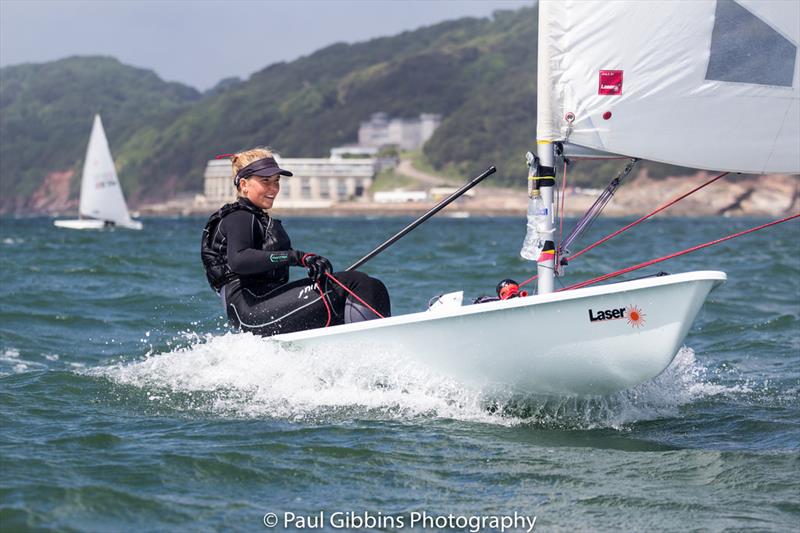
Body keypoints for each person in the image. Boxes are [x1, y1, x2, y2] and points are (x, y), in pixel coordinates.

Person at [201, 147, 391, 336]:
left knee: (370, 286)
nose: (273, 188)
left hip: (267, 307)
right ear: (244, 184)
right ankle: (373, 349)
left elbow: (271, 258)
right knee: (358, 284)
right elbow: (239, 260)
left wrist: (310, 263)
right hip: (252, 310)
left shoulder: (258, 219)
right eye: (265, 181)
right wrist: (297, 257)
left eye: (276, 181)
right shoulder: (239, 217)